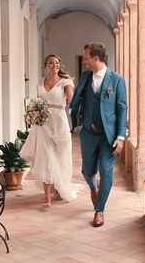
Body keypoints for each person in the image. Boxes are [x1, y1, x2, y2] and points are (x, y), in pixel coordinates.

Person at [70, 42, 127, 227]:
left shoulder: (117, 80)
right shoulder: (86, 76)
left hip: (107, 136)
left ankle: (99, 210)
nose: (84, 62)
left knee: (106, 170)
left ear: (96, 58)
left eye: (86, 58)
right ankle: (93, 187)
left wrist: (120, 136)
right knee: (88, 171)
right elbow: (78, 97)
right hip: (88, 133)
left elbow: (121, 108)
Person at [21, 55, 78, 210]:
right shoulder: (40, 82)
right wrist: (33, 113)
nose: (55, 65)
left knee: (62, 157)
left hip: (60, 122)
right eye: (51, 63)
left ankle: (60, 187)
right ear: (45, 66)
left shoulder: (66, 82)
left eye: (57, 63)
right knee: (46, 158)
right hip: (43, 123)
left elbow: (73, 101)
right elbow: (38, 101)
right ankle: (47, 196)